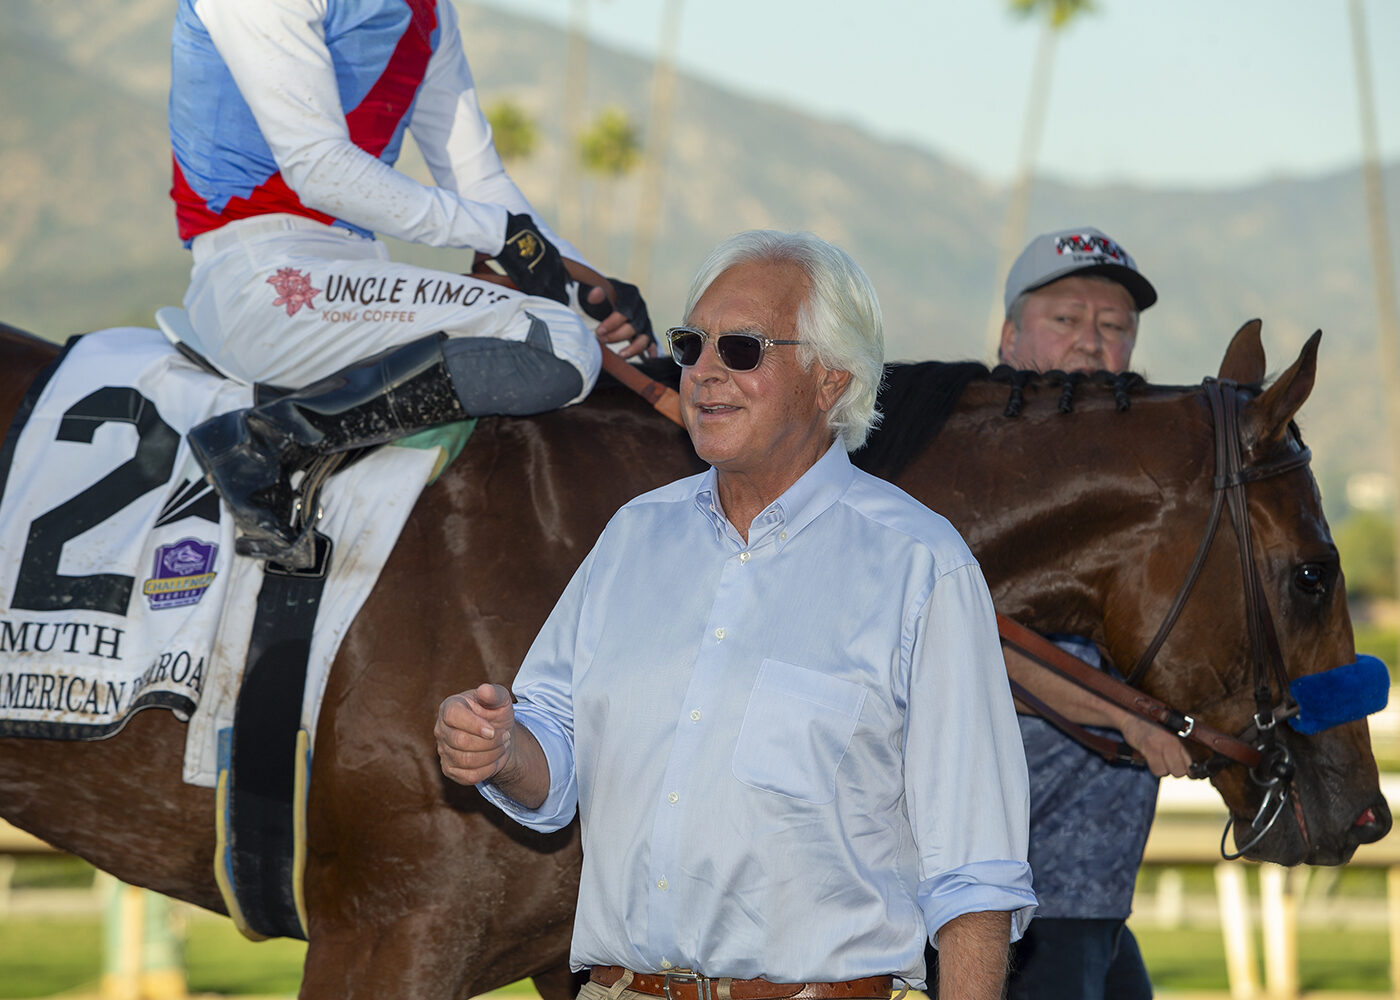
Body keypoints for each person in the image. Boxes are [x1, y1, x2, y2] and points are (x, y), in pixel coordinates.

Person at [435, 230, 1037, 999]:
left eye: (743, 349)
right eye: (691, 345)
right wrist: (500, 746)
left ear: (830, 380)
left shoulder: (921, 564)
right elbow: (555, 753)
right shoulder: (631, 537)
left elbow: (976, 871)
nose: (703, 372)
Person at [168, 0, 652, 568]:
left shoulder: (430, 11)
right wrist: (501, 237)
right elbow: (319, 169)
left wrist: (587, 293)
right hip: (257, 276)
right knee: (560, 346)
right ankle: (265, 441)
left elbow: (480, 181)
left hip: (349, 275)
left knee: (582, 336)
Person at [995, 226, 1194, 1000]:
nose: (1092, 343)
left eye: (1114, 328)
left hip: (1100, 892)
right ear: (1011, 338)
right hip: (1000, 897)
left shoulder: (1146, 482)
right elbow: (966, 646)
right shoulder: (968, 474)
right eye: (1066, 320)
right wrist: (1137, 719)